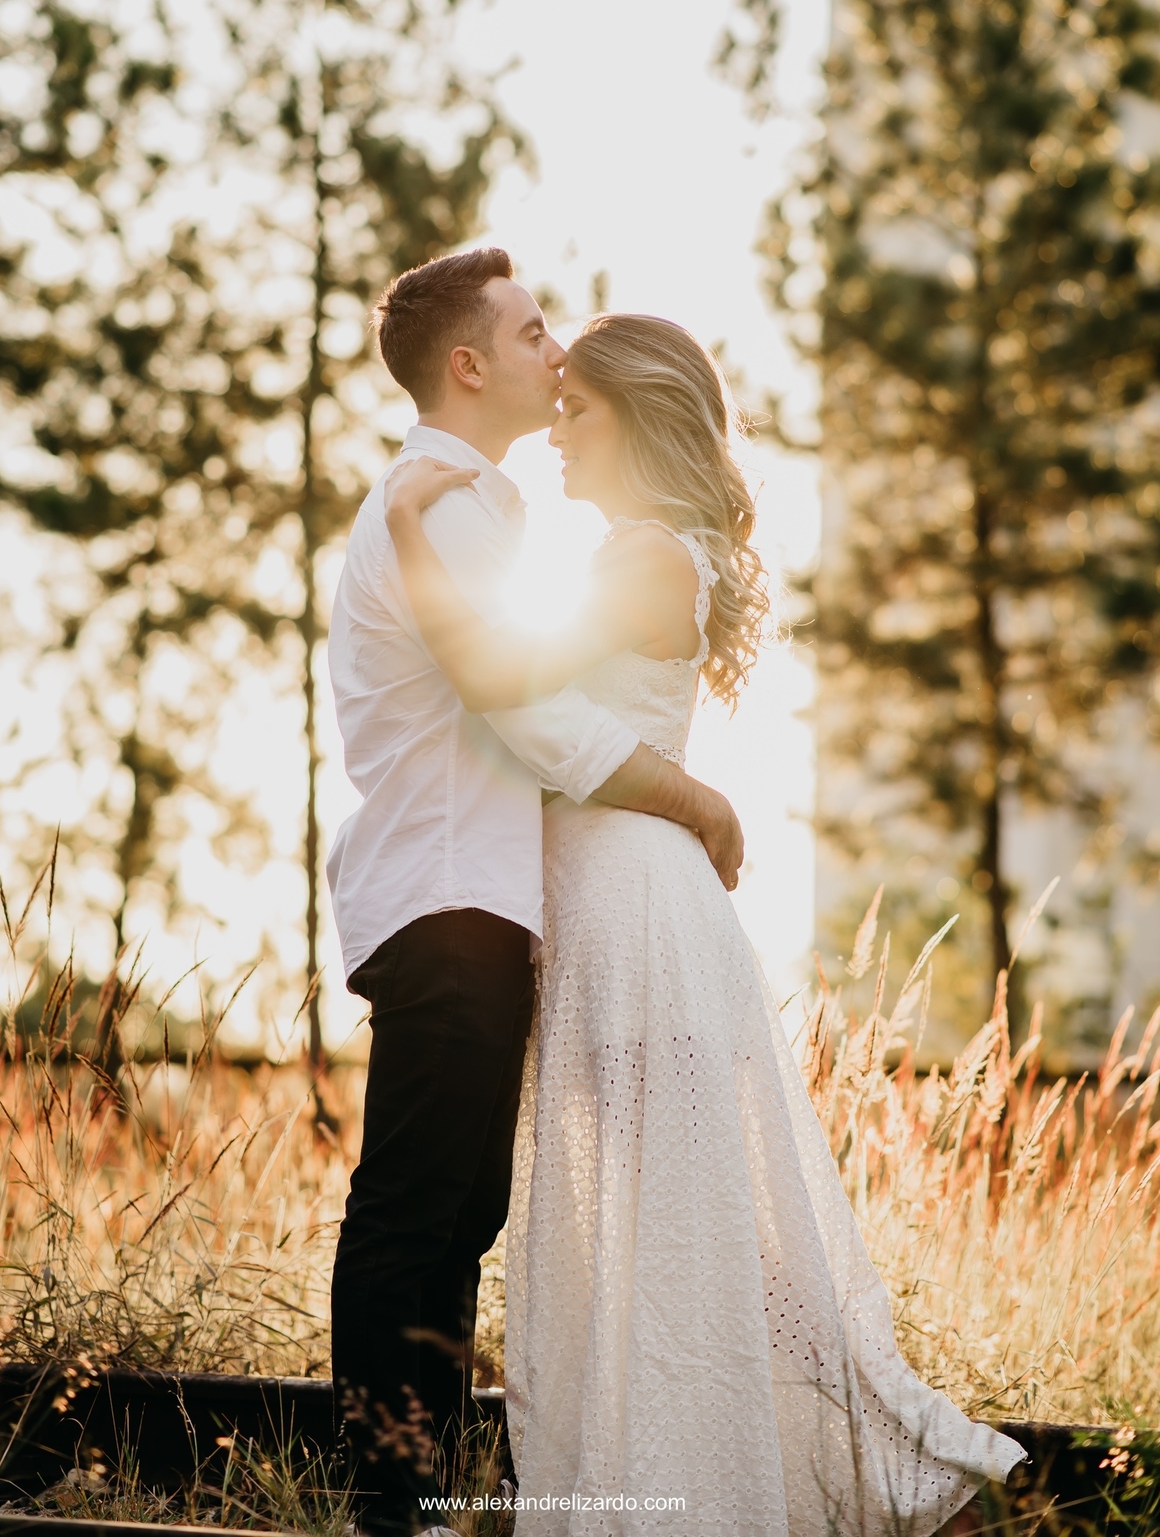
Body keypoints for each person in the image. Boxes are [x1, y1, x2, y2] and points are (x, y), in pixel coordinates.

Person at [383, 310, 1028, 1537]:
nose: (558, 431)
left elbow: (505, 681)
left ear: (640, 416)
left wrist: (412, 527)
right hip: (614, 895)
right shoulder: (646, 549)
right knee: (631, 1227)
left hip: (632, 908)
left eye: (579, 409)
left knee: (652, 1228)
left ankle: (708, 1492)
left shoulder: (645, 560)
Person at [325, 249, 745, 1537]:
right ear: (468, 363)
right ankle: (393, 1499)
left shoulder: (478, 505)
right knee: (422, 1201)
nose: (551, 353)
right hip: (452, 888)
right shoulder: (442, 498)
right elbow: (525, 706)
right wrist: (693, 797)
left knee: (463, 1203)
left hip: (485, 892)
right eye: (529, 332)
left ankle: (430, 1488)